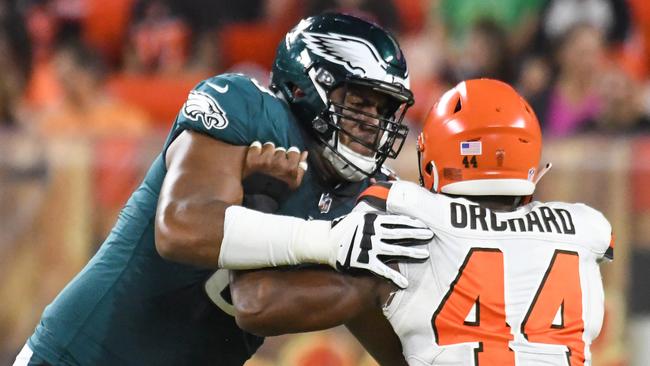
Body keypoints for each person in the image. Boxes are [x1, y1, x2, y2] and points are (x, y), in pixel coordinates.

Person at [14, 13, 434, 366]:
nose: (372, 123)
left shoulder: (364, 193)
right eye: (359, 102)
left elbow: (267, 305)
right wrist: (332, 242)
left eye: (383, 109)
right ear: (307, 87)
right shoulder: (247, 109)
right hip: (80, 356)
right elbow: (180, 228)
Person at [231, 79, 613, 365]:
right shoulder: (586, 228)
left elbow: (255, 305)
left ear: (434, 156)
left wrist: (261, 196)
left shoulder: (407, 212)